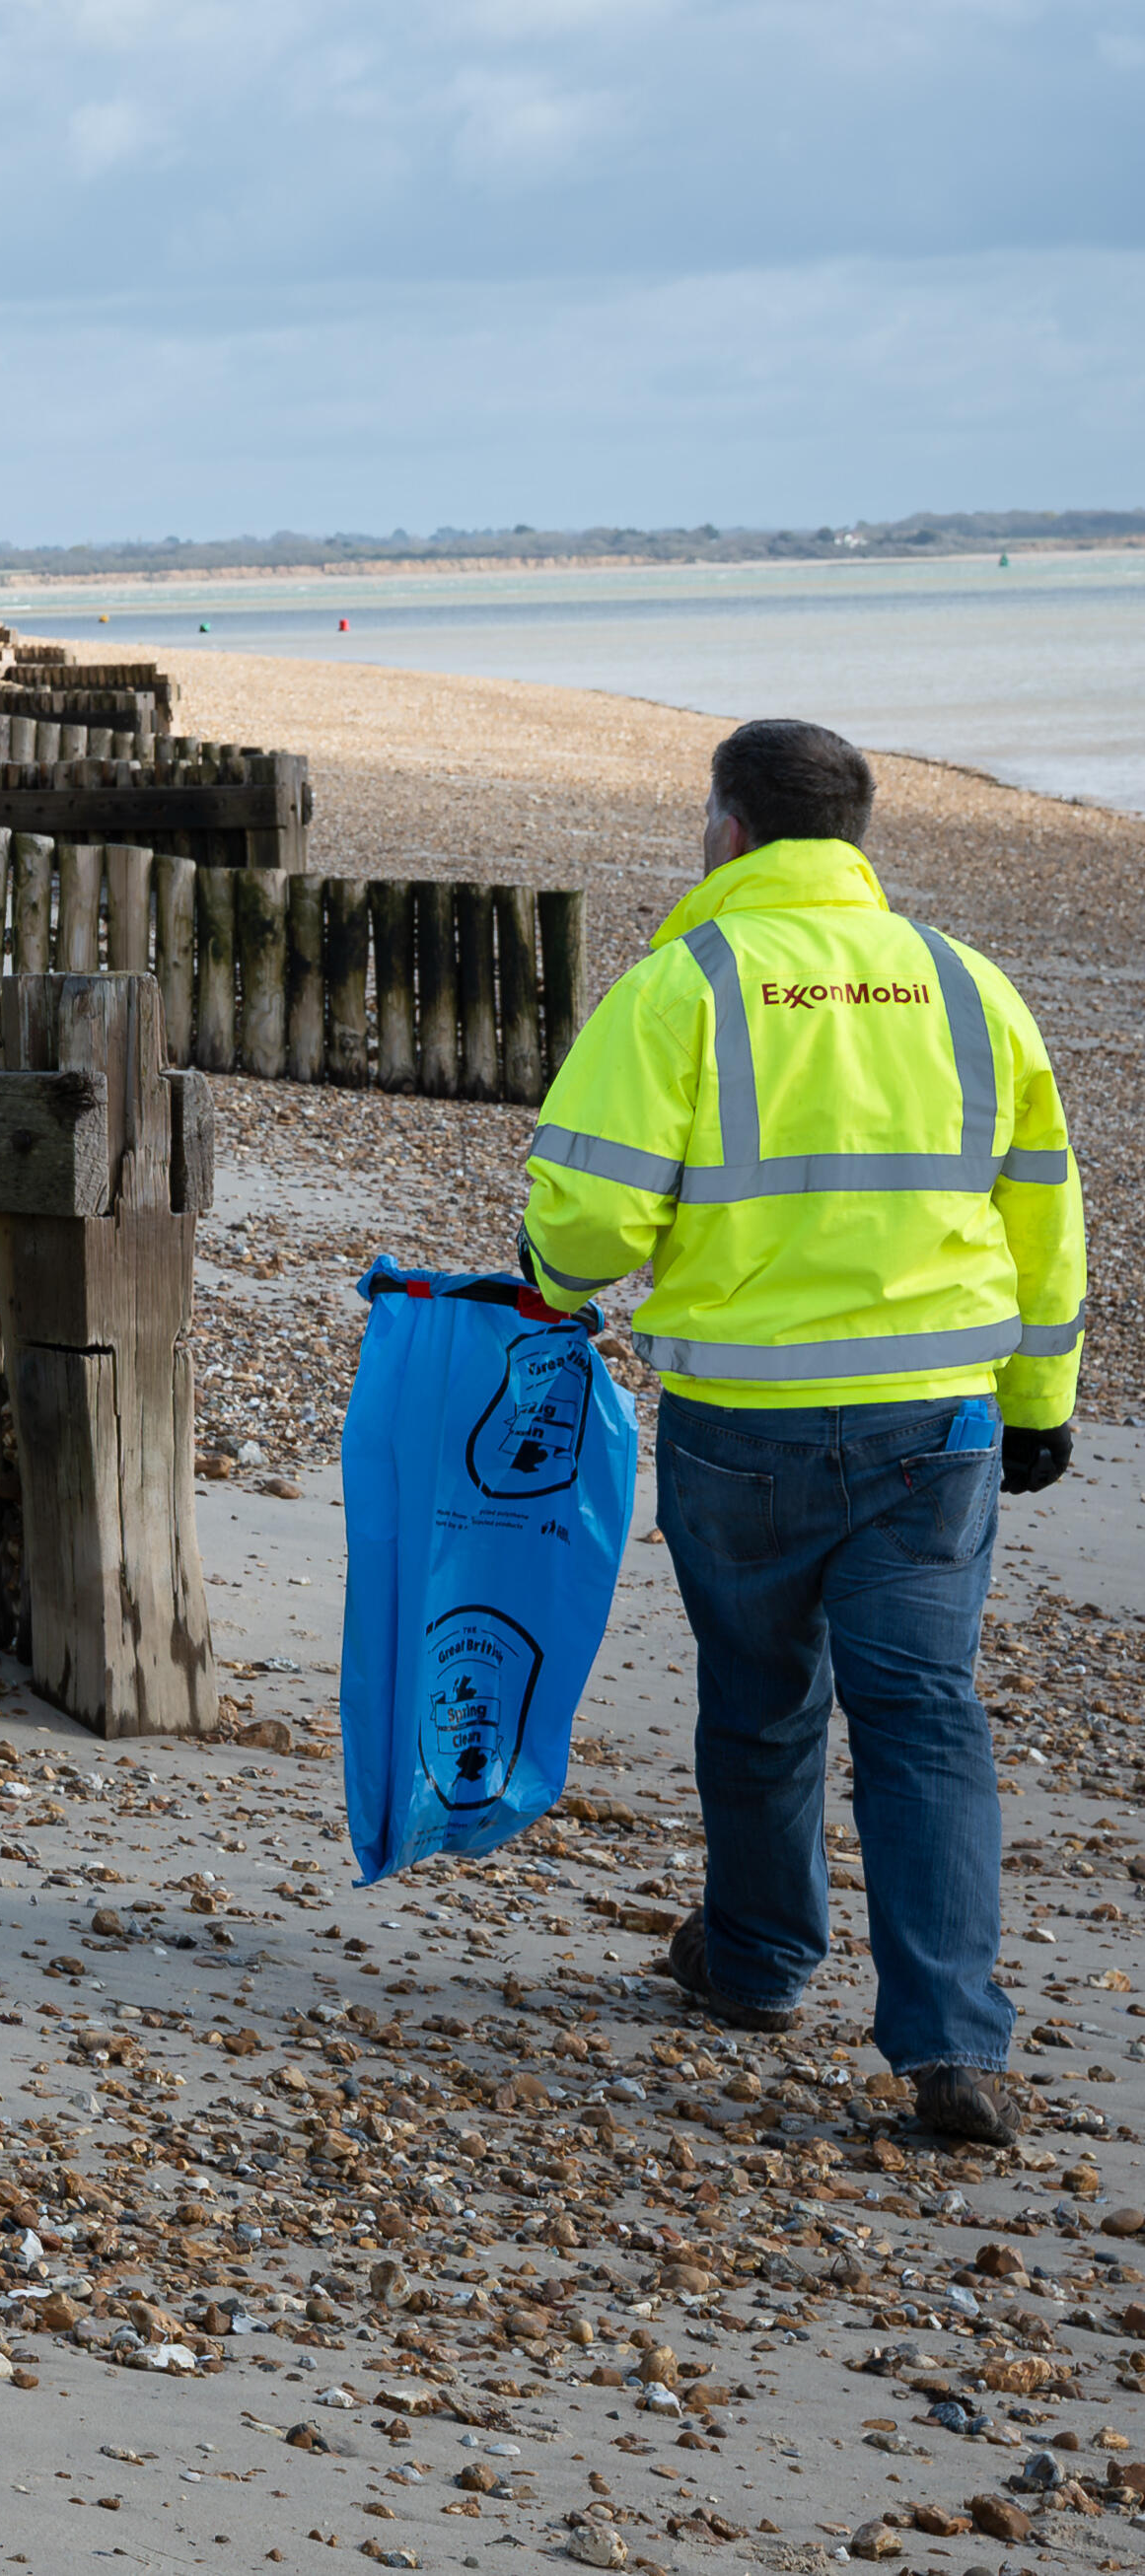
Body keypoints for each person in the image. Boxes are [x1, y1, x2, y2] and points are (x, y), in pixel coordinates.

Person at [523, 717, 1084, 2150]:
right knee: (921, 1716)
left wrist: (548, 1285)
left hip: (744, 1421)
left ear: (723, 830)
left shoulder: (683, 984)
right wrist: (1038, 1401)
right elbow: (1042, 1223)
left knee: (760, 1700)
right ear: (855, 836)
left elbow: (589, 1211)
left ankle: (762, 1960)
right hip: (935, 1418)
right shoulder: (969, 987)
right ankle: (949, 2047)